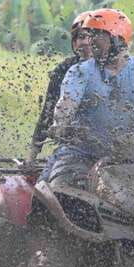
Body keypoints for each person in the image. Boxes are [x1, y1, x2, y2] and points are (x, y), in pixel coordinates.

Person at [36, 8, 134, 187]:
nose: (90, 41)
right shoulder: (79, 71)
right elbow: (66, 103)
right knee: (57, 191)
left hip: (133, 159)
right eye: (89, 35)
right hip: (81, 156)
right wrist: (60, 125)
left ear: (116, 38)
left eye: (97, 35)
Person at [27, 10, 94, 163]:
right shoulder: (65, 70)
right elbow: (48, 112)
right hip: (74, 147)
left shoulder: (115, 69)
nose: (85, 42)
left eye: (90, 37)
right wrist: (32, 155)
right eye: (80, 37)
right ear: (73, 43)